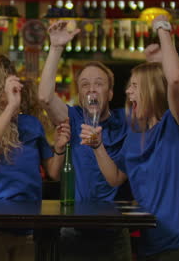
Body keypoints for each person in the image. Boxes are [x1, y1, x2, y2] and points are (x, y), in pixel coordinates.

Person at [81, 15, 179, 261]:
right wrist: (97, 146)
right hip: (150, 242)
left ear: (150, 89)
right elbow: (115, 179)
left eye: (134, 86)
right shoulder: (135, 135)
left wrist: (162, 30)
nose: (128, 92)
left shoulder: (174, 124)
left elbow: (175, 80)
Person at [38, 20, 131, 260]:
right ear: (79, 94)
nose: (91, 89)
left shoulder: (125, 121)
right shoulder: (74, 116)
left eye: (99, 84)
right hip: (75, 226)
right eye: (85, 85)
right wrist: (56, 48)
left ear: (110, 93)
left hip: (115, 229)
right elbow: (45, 97)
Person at [0, 53, 68, 261]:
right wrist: (10, 108)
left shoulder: (31, 124)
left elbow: (54, 172)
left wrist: (60, 147)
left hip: (27, 227)